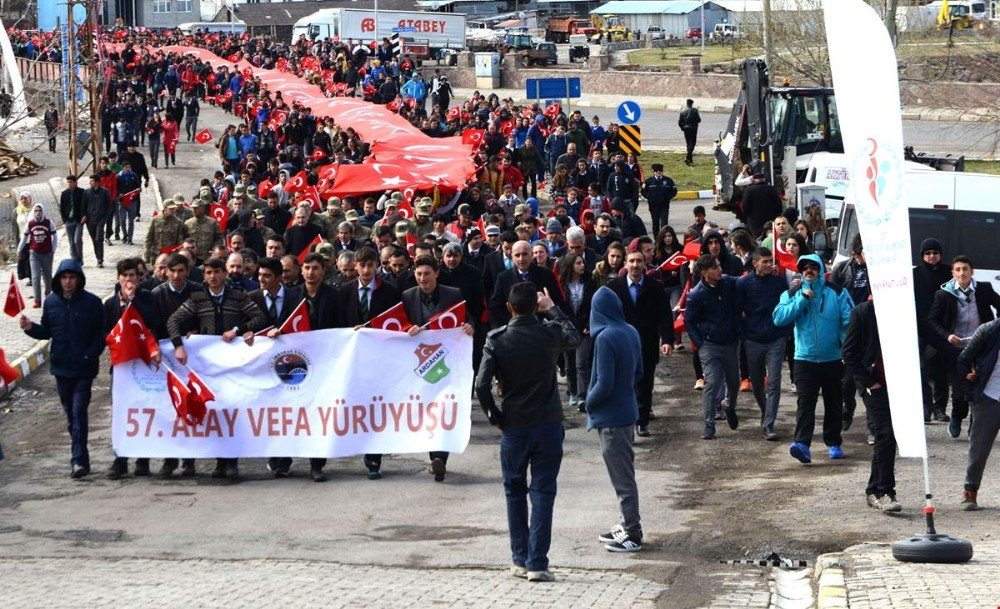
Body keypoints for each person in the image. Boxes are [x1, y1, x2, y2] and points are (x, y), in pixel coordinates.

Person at [475, 283, 581, 583]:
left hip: (514, 424)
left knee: (514, 491)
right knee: (544, 492)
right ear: (535, 306)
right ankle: (537, 562)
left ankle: (520, 559)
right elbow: (574, 338)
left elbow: (481, 385)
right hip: (547, 422)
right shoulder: (548, 332)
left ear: (509, 308)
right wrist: (552, 309)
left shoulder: (497, 339)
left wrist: (494, 415)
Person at [166, 257, 267, 481]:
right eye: (209, 272)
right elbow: (173, 321)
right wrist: (179, 345)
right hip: (208, 365)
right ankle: (216, 460)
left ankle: (230, 462)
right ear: (204, 275)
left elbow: (259, 317)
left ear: (224, 274)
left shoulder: (238, 296)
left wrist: (239, 329)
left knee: (231, 410)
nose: (213, 276)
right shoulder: (198, 298)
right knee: (213, 410)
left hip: (232, 364)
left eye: (217, 272)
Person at [19, 259, 105, 478]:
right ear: (58, 280)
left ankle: (78, 461)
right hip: (61, 368)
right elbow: (47, 331)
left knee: (79, 412)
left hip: (84, 369)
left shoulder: (93, 303)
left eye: (72, 277)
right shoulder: (51, 303)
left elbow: (101, 334)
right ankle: (79, 453)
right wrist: (30, 328)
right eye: (64, 278)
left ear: (79, 279)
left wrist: (90, 354)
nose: (68, 282)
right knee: (71, 416)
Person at [773, 254, 854, 464]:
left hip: (833, 358)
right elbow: (779, 318)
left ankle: (834, 442)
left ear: (820, 268)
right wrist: (802, 299)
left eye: (813, 267)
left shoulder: (836, 291)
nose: (809, 270)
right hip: (804, 358)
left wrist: (846, 345)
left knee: (834, 402)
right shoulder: (793, 293)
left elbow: (850, 321)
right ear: (800, 271)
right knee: (805, 403)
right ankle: (801, 444)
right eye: (805, 267)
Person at [402, 255, 475, 482]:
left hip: (446, 361)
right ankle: (434, 452)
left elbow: (467, 317)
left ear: (436, 273)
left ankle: (440, 458)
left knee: (442, 407)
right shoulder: (407, 296)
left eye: (426, 273)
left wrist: (468, 326)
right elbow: (398, 323)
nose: (422, 278)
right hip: (419, 363)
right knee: (425, 408)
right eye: (419, 274)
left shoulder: (453, 294)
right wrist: (407, 328)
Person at [586, 287, 645, 552]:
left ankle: (632, 532)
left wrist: (588, 402)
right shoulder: (630, 331)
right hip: (627, 411)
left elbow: (603, 382)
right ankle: (626, 524)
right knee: (624, 473)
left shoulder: (604, 338)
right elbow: (639, 371)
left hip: (611, 417)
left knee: (622, 478)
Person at [336, 247, 402, 480]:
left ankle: (374, 458)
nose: (365, 270)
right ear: (355, 265)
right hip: (352, 358)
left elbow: (395, 323)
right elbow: (337, 323)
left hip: (378, 358)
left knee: (376, 407)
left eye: (370, 265)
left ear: (376, 266)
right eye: (362, 265)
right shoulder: (344, 291)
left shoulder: (390, 292)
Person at [928, 255, 1000, 438]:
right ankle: (957, 417)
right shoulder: (944, 294)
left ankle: (974, 425)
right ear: (952, 272)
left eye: (965, 269)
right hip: (956, 348)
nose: (962, 273)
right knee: (960, 391)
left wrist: (994, 328)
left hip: (980, 345)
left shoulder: (983, 289)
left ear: (972, 271)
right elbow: (933, 320)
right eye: (958, 270)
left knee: (980, 386)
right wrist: (947, 335)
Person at [607, 242, 673, 436]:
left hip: (647, 344)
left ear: (645, 264)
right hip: (622, 345)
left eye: (639, 261)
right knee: (624, 384)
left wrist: (667, 340)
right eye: (632, 261)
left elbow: (665, 315)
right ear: (625, 264)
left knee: (645, 385)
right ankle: (626, 421)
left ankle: (641, 421)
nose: (635, 265)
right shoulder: (614, 287)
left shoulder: (655, 287)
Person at [843, 297, 901, 513]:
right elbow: (849, 353)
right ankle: (884, 491)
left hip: (898, 382)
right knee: (885, 433)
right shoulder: (862, 312)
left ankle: (873, 489)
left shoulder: (903, 308)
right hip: (873, 383)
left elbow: (925, 334)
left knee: (890, 436)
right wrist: (869, 382)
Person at [736, 248, 792, 440]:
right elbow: (737, 310)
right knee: (758, 383)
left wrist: (785, 333)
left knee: (774, 382)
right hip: (753, 339)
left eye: (770, 261)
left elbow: (786, 306)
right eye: (765, 262)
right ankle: (765, 411)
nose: (769, 265)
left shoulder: (778, 282)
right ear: (755, 262)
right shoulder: (743, 284)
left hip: (776, 338)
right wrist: (743, 334)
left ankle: (769, 424)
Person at [686, 255, 741, 440]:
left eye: (719, 266)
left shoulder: (727, 283)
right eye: (715, 268)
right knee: (712, 382)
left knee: (734, 382)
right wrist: (700, 344)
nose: (719, 270)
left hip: (730, 343)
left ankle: (729, 406)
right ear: (704, 272)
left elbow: (744, 280)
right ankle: (709, 424)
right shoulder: (696, 294)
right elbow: (690, 322)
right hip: (709, 345)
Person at [957, 314, 1000, 511]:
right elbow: (964, 359)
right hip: (988, 396)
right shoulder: (989, 330)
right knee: (979, 448)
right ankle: (970, 491)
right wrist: (970, 389)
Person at [913, 238, 951, 423]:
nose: (931, 256)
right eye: (927, 253)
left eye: (935, 253)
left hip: (943, 329)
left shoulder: (949, 273)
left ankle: (940, 408)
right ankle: (925, 407)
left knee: (941, 370)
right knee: (921, 369)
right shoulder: (915, 274)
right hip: (920, 328)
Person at [489, 241, 564, 329]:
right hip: (514, 330)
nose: (521, 259)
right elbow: (496, 307)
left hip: (542, 329)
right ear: (512, 257)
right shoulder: (503, 278)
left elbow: (558, 301)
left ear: (532, 255)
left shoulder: (546, 274)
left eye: (525, 254)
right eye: (517, 255)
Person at [556, 251, 597, 411]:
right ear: (570, 266)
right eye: (577, 263)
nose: (582, 266)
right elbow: (559, 306)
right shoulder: (561, 283)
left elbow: (594, 305)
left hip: (584, 329)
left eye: (582, 263)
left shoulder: (589, 282)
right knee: (569, 364)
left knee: (581, 363)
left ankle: (583, 396)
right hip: (567, 328)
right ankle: (572, 391)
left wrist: (589, 323)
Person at [18, 203, 58, 307]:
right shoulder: (30, 224)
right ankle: (37, 300)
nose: (38, 213)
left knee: (48, 277)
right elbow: (24, 237)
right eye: (36, 211)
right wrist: (19, 250)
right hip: (34, 254)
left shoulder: (49, 223)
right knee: (35, 277)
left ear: (43, 211)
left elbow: (55, 237)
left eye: (40, 211)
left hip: (47, 254)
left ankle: (48, 296)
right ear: (33, 212)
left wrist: (53, 249)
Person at [82, 173, 113, 269]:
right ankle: (97, 257)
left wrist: (106, 218)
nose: (90, 182)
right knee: (94, 239)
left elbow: (109, 206)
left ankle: (100, 259)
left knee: (99, 238)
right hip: (90, 220)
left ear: (97, 182)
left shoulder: (104, 192)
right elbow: (83, 206)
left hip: (101, 219)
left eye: (92, 181)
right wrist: (84, 216)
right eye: (90, 181)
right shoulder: (87, 192)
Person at [740, 173, 783, 239]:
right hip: (771, 218)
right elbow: (779, 205)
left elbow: (745, 206)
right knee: (771, 237)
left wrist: (746, 216)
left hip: (755, 220)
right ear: (764, 179)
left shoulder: (749, 190)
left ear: (754, 180)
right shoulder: (772, 189)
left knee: (758, 238)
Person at [640, 163, 677, 236]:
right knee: (655, 223)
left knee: (664, 224)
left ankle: (663, 238)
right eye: (657, 171)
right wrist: (649, 197)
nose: (659, 172)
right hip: (653, 206)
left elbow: (674, 191)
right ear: (654, 172)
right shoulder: (649, 181)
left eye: (660, 170)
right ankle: (657, 240)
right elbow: (643, 191)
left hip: (664, 205)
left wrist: (668, 197)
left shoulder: (668, 180)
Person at [59, 175, 86, 264]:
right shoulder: (64, 193)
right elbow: (62, 207)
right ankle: (74, 259)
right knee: (71, 242)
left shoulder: (81, 192)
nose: (69, 184)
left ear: (75, 182)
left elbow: (85, 205)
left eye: (71, 182)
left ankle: (80, 258)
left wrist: (84, 216)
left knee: (77, 240)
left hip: (78, 220)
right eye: (68, 182)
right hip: (69, 220)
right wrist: (64, 220)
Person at [678, 98, 701, 166]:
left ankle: (690, 160)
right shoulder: (694, 110)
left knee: (688, 143)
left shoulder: (682, 111)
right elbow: (699, 120)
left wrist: (682, 128)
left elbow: (679, 122)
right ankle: (688, 157)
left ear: (687, 103)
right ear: (692, 104)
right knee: (692, 143)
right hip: (693, 129)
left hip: (686, 129)